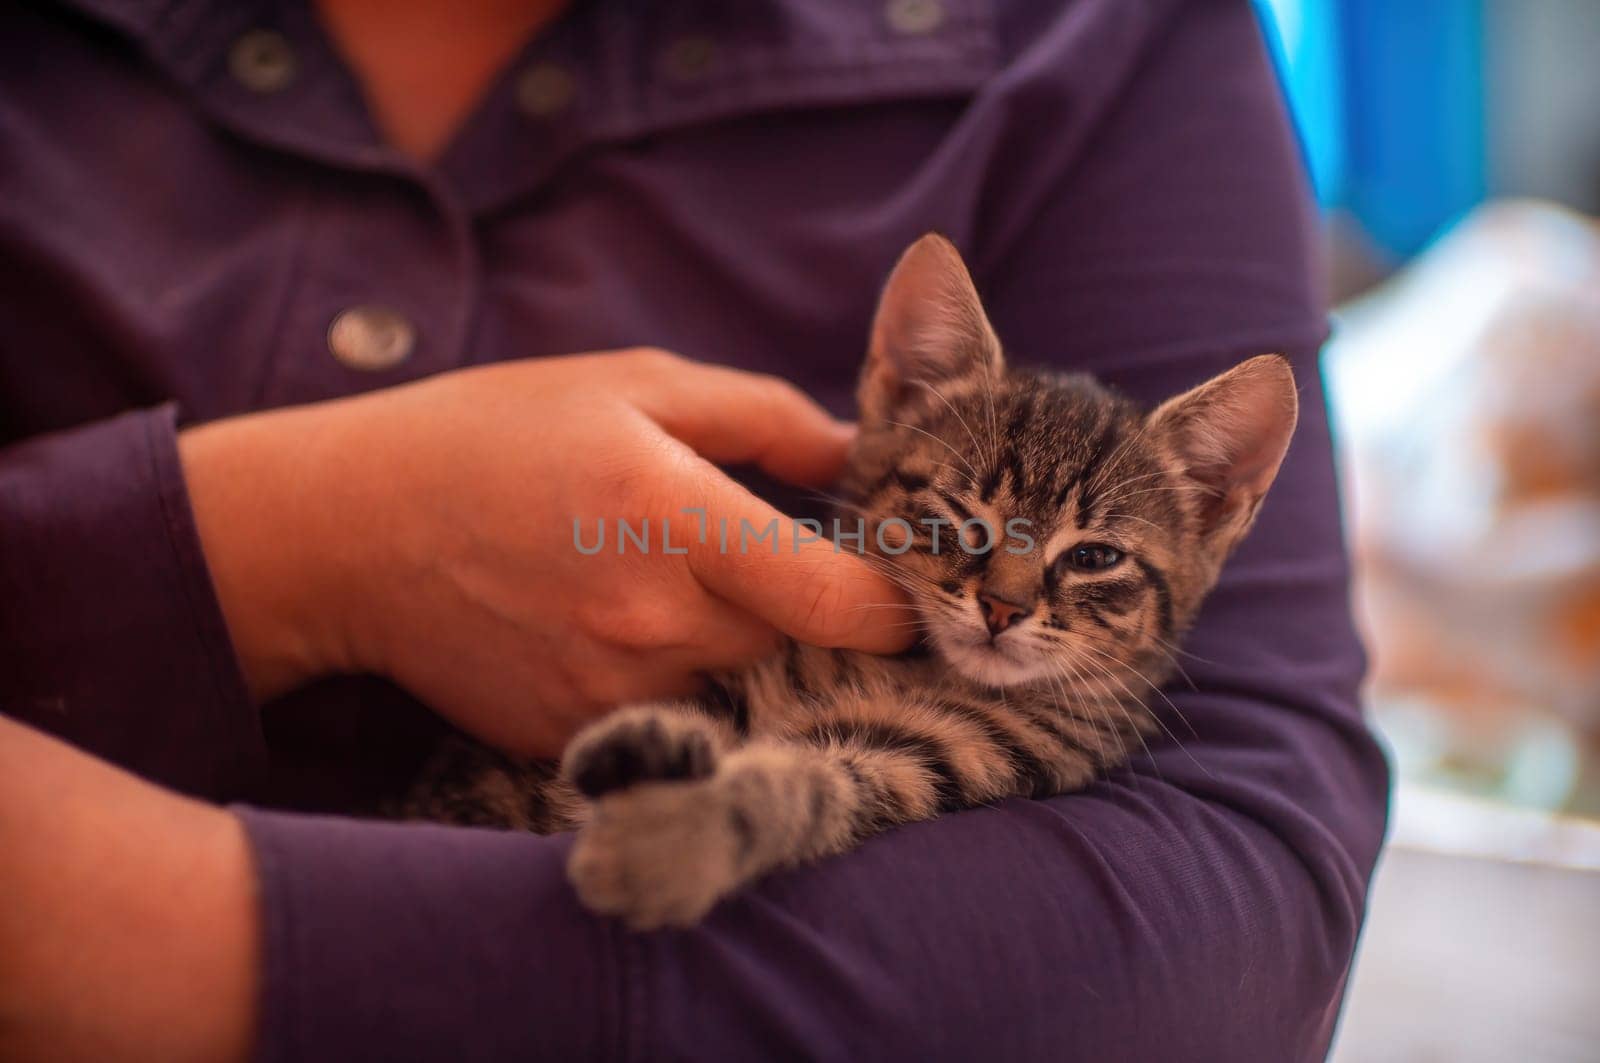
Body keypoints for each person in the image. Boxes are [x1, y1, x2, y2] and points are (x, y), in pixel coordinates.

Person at [0, 0, 1390, 1058]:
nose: (1009, 599)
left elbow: (1236, 913)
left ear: (1211, 512)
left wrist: (138, 926)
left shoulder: (1115, 37)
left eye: (1085, 565)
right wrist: (278, 546)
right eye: (971, 532)